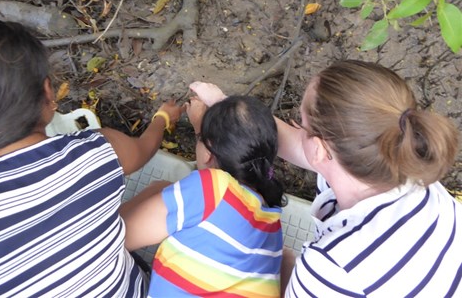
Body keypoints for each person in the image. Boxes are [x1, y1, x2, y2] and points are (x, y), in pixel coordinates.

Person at [0, 19, 184, 297]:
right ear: (47, 90)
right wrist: (163, 117)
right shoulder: (97, 149)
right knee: (161, 189)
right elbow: (145, 148)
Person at [190, 59, 461, 297]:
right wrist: (225, 106)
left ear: (320, 149)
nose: (297, 129)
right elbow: (300, 146)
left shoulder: (330, 268)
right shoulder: (411, 169)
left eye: (301, 124)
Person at [121, 95, 287, 297]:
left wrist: (154, 190)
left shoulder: (212, 186)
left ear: (208, 153)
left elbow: (117, 237)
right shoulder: (273, 224)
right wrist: (205, 134)